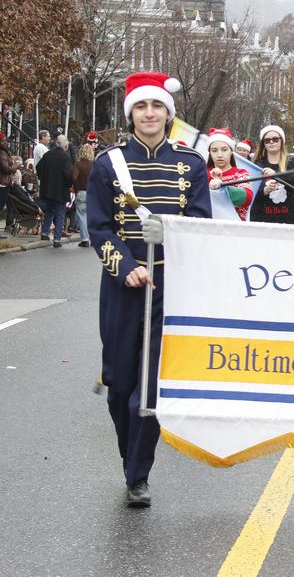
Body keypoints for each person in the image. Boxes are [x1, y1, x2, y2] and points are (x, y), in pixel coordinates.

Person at [87, 71, 210, 507]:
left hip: (170, 289)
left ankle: (139, 474)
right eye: (141, 106)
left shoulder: (191, 165)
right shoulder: (108, 164)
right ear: (131, 114)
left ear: (168, 113)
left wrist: (175, 234)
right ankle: (130, 458)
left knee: (151, 388)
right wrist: (127, 267)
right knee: (121, 384)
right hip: (123, 288)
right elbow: (99, 229)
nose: (150, 113)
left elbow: (200, 226)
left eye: (157, 106)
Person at [251, 125, 294, 225]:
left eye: (275, 139)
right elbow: (251, 189)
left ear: (281, 141)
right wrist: (265, 190)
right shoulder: (257, 163)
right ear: (263, 144)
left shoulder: (291, 161)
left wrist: (276, 175)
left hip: (288, 217)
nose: (271, 142)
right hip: (261, 218)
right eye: (267, 140)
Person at [206, 128, 253, 221]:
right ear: (210, 153)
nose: (219, 154)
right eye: (214, 150)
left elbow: (247, 198)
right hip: (209, 228)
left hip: (234, 229)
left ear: (231, 152)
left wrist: (221, 188)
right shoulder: (202, 174)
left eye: (224, 150)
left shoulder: (240, 174)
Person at [36, 134, 73, 247]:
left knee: (49, 211)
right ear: (64, 144)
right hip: (60, 190)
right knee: (60, 213)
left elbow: (38, 168)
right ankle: (57, 239)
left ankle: (45, 233)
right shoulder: (66, 157)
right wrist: (69, 185)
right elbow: (68, 175)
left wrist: (43, 178)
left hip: (47, 189)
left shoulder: (48, 154)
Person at [72, 143, 94, 247]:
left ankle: (85, 239)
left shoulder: (78, 164)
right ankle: (94, 238)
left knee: (82, 216)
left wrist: (77, 188)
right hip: (93, 193)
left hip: (81, 192)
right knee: (93, 216)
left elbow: (74, 178)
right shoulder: (94, 165)